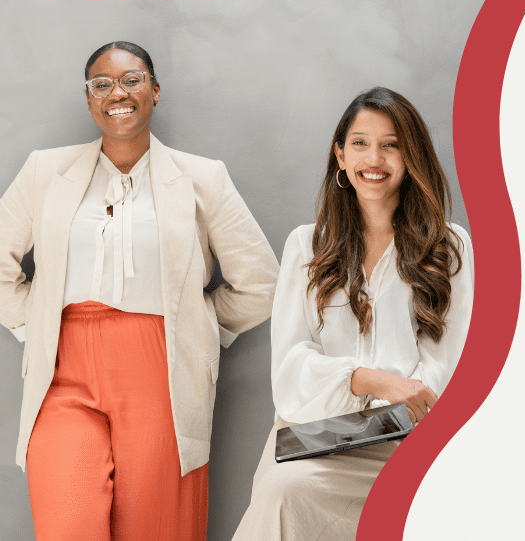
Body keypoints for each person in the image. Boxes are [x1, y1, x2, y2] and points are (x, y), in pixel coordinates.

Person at [0, 41, 280, 540]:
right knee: (68, 524)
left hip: (162, 368)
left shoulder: (201, 177)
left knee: (156, 527)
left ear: (154, 90)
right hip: (63, 370)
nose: (117, 93)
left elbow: (260, 282)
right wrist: (35, 317)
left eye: (131, 80)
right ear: (89, 99)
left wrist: (197, 326)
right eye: (101, 84)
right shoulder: (46, 171)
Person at [232, 87, 473, 540]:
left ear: (410, 156)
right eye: (360, 143)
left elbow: (445, 359)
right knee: (284, 493)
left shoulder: (449, 246)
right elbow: (290, 368)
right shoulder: (306, 245)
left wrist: (403, 403)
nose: (374, 158)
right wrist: (371, 380)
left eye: (391, 144)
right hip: (316, 435)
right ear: (340, 156)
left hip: (408, 439)